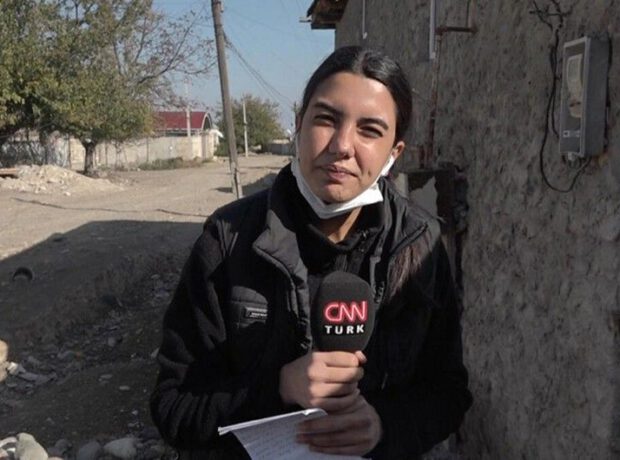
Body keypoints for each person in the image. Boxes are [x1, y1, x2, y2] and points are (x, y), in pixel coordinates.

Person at [150, 46, 472, 459]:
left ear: (393, 154)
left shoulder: (419, 244)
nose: (341, 145)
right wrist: (279, 387)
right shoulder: (227, 240)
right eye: (326, 119)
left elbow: (449, 392)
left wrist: (383, 426)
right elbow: (174, 407)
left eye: (370, 130)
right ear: (299, 124)